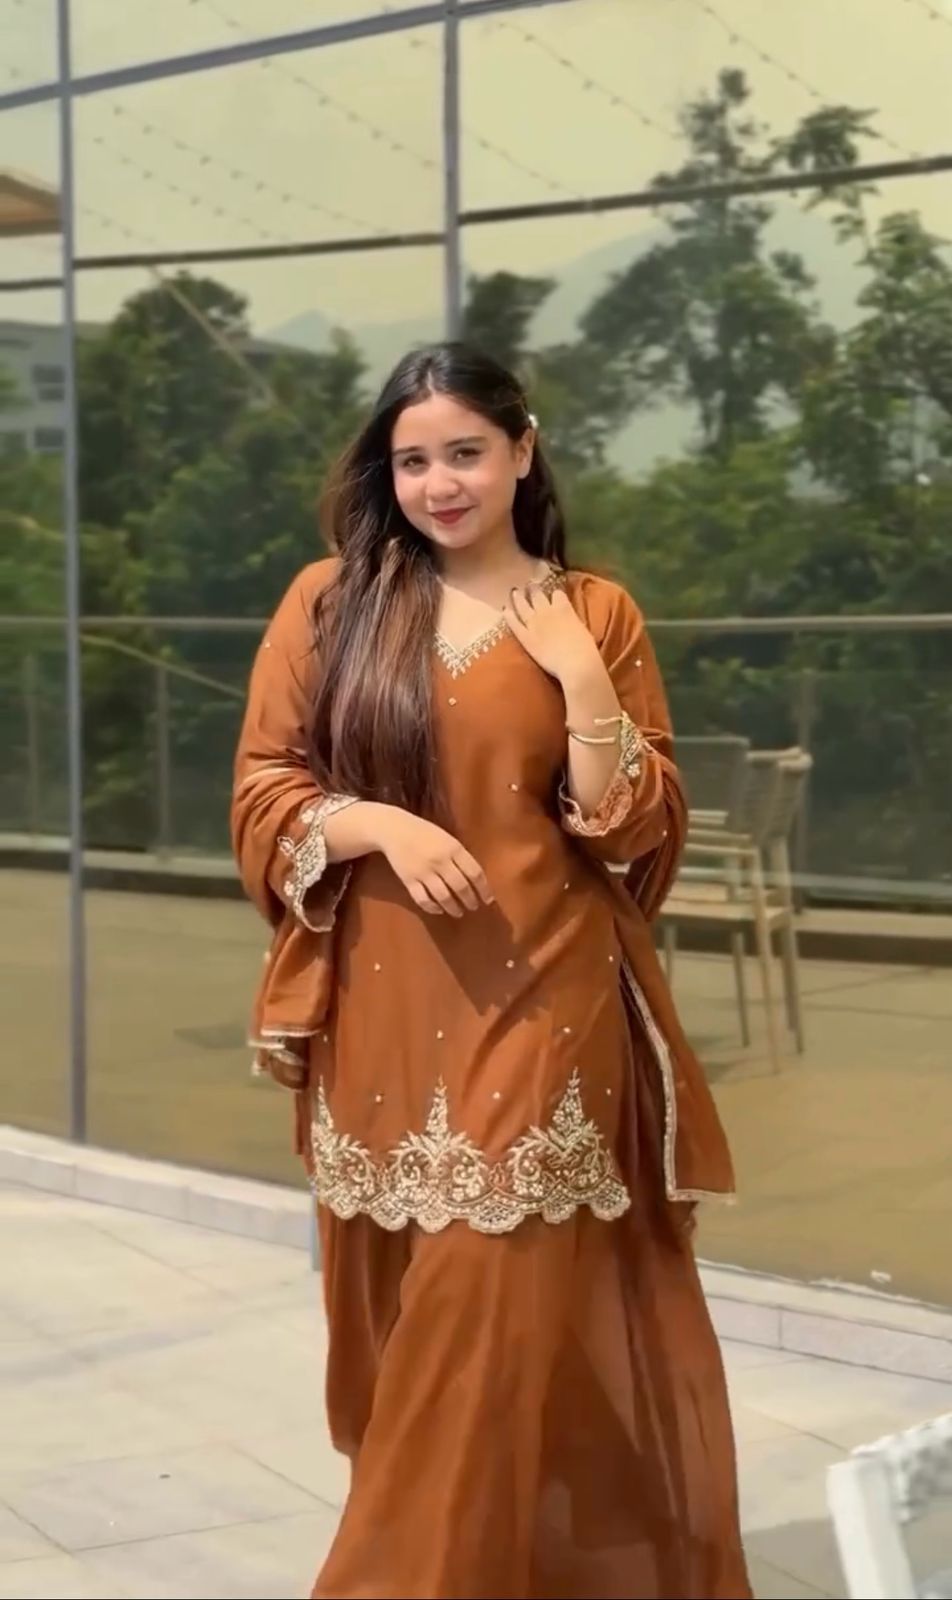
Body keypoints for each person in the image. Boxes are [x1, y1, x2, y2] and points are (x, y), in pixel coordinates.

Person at [231, 341, 751, 1600]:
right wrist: (380, 825)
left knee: (481, 1292)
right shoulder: (330, 602)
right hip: (383, 1005)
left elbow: (627, 832)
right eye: (412, 460)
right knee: (409, 1325)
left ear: (522, 450)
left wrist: (577, 674)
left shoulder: (597, 612)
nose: (439, 483)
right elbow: (264, 785)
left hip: (548, 996)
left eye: (465, 452)